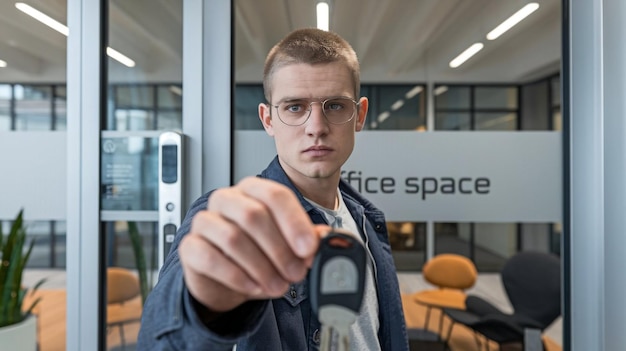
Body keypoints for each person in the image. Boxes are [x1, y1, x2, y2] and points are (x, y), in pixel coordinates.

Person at [137, 28, 409, 350]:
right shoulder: (237, 221)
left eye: (334, 106)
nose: (316, 127)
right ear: (268, 120)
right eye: (295, 107)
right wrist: (203, 306)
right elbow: (160, 342)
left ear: (359, 115)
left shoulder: (365, 220)